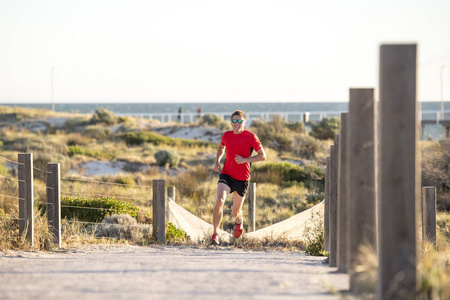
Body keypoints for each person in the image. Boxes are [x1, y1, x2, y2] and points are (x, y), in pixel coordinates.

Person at [209, 110, 266, 245]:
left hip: (242, 178)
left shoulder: (251, 137)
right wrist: (217, 161)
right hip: (227, 174)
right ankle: (215, 234)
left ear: (244, 123)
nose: (236, 124)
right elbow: (221, 147)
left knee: (236, 212)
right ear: (231, 122)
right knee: (219, 200)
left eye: (240, 121)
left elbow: (263, 156)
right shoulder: (226, 135)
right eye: (234, 121)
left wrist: (245, 159)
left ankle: (239, 222)